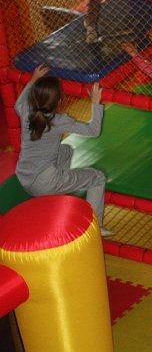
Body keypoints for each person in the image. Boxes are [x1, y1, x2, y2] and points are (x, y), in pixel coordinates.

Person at [14, 65, 113, 237]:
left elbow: (18, 103)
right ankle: (96, 227)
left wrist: (33, 80)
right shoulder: (59, 121)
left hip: (25, 178)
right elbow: (93, 130)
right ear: (59, 101)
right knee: (97, 178)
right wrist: (95, 103)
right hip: (44, 184)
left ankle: (57, 193)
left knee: (65, 150)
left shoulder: (26, 111)